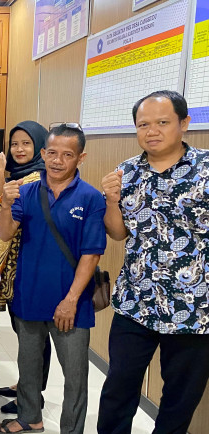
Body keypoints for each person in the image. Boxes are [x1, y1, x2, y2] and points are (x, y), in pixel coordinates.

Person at [97, 90, 209, 433]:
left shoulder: (206, 168)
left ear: (184, 123)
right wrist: (111, 201)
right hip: (136, 301)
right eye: (143, 124)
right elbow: (118, 233)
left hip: (195, 306)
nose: (152, 131)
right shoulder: (126, 171)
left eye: (162, 122)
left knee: (180, 396)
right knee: (118, 386)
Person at [0, 124, 106, 434]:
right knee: (28, 365)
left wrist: (70, 300)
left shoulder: (91, 198)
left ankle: (72, 430)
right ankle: (29, 417)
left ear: (81, 158)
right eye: (52, 153)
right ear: (43, 153)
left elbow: (91, 254)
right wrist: (6, 203)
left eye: (67, 155)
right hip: (29, 295)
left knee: (75, 375)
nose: (58, 161)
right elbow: (5, 233)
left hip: (72, 302)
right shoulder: (26, 191)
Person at [0, 121, 52, 413]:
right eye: (14, 144)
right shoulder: (20, 176)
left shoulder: (38, 178)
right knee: (23, 331)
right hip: (17, 267)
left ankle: (32, 397)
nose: (19, 149)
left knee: (34, 335)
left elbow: (6, 214)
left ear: (39, 146)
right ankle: (26, 385)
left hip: (31, 265)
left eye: (26, 143)